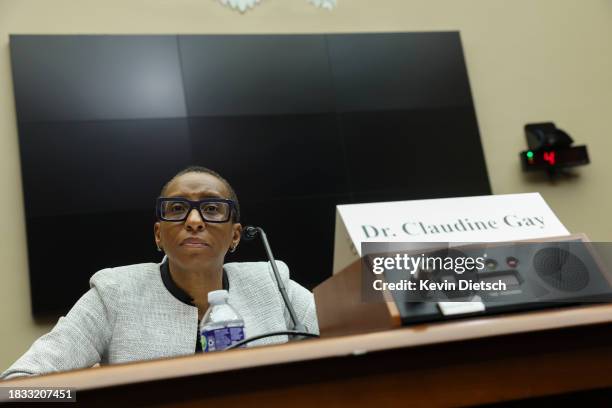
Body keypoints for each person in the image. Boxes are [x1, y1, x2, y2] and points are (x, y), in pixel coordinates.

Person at [1, 166, 318, 380]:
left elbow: (356, 341)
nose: (194, 220)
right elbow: (18, 385)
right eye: (177, 209)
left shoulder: (273, 283)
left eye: (211, 208)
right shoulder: (114, 294)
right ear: (158, 234)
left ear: (235, 236)